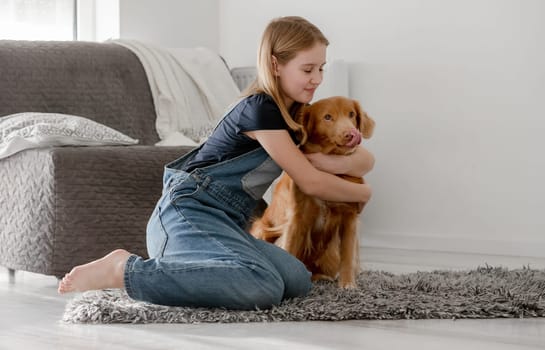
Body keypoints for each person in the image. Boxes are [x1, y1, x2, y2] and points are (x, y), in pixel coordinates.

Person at [58, 16, 374, 310]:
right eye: (308, 70)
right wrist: (361, 194)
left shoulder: (296, 117)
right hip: (187, 213)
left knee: (296, 280)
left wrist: (326, 161)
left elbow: (364, 160)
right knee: (262, 286)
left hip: (227, 222)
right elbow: (311, 181)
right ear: (276, 65)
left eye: (321, 69)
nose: (317, 79)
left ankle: (195, 268)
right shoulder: (261, 110)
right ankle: (125, 270)